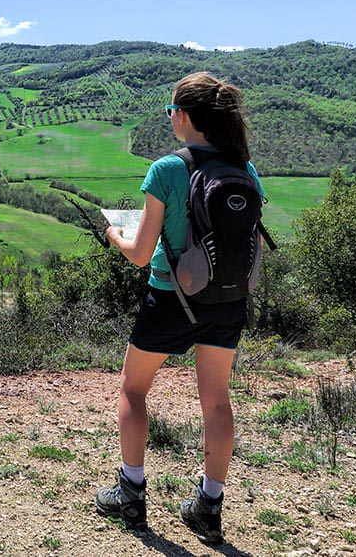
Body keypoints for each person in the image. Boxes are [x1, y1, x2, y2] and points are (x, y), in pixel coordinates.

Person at [93, 72, 264, 544]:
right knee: (216, 400)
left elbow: (142, 253)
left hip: (170, 298)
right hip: (227, 300)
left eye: (171, 112)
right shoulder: (245, 170)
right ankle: (209, 506)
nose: (170, 120)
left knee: (132, 390)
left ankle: (130, 492)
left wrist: (114, 235)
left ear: (183, 116)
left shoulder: (167, 170)